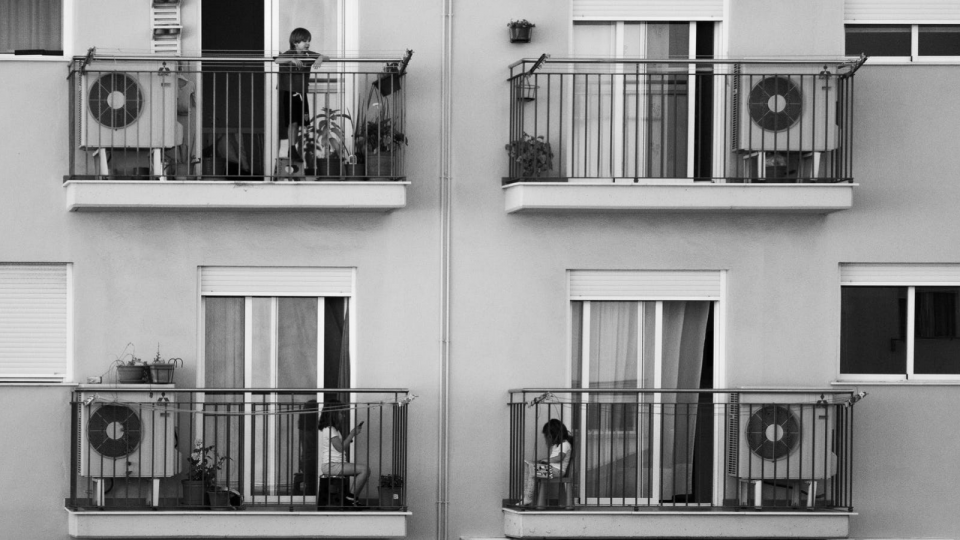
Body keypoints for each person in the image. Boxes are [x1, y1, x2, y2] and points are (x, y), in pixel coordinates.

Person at [275, 28, 327, 162]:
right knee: (291, 121)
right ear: (295, 42)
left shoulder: (308, 54)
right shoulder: (290, 53)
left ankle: (292, 149)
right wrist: (291, 59)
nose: (307, 43)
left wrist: (320, 59)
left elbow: (326, 57)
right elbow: (277, 60)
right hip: (289, 92)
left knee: (298, 122)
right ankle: (291, 149)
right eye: (304, 41)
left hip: (301, 92)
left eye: (309, 40)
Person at [318, 399, 369, 506]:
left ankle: (352, 498)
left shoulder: (332, 429)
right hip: (331, 465)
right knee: (364, 469)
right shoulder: (329, 429)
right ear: (334, 413)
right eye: (341, 413)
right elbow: (340, 448)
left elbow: (339, 446)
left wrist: (351, 435)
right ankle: (351, 498)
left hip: (336, 464)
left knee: (364, 470)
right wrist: (352, 434)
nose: (343, 416)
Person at [521, 419, 574, 506]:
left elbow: (559, 457)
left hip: (557, 471)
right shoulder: (557, 445)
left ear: (555, 434)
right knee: (528, 466)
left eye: (549, 436)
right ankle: (526, 494)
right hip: (551, 469)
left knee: (532, 470)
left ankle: (528, 497)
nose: (548, 438)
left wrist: (546, 460)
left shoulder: (565, 444)